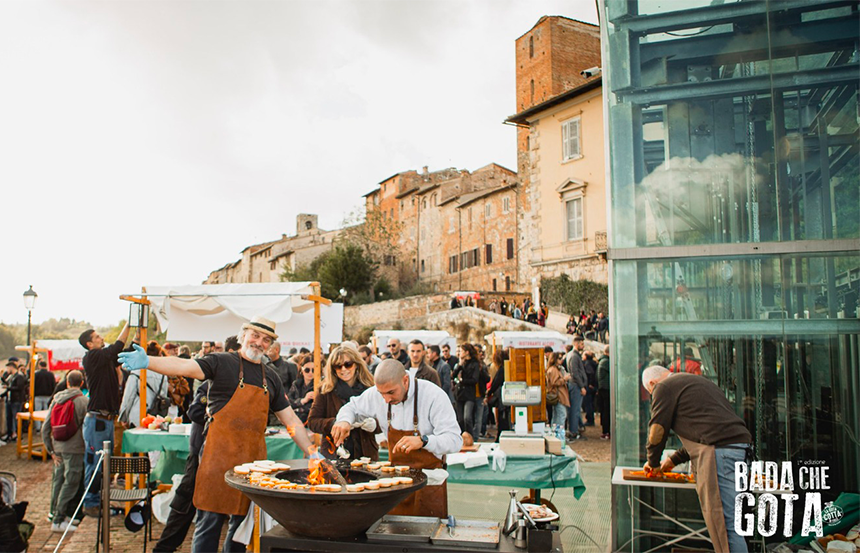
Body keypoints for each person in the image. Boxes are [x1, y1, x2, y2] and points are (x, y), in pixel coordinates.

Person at [118, 316, 313, 553]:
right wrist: (148, 361)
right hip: (216, 456)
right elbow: (184, 367)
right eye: (255, 336)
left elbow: (290, 420)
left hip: (252, 462)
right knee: (208, 522)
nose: (259, 342)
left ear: (271, 344)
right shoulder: (221, 362)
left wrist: (311, 451)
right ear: (244, 336)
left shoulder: (270, 377)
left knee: (240, 526)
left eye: (266, 339)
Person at [642, 366, 752, 553]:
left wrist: (652, 463)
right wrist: (673, 460)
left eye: (650, 392)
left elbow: (657, 430)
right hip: (739, 448)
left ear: (652, 384)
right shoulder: (695, 382)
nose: (653, 396)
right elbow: (705, 429)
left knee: (724, 527)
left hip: (720, 453)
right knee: (733, 524)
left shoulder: (663, 387)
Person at [332, 360, 462, 517]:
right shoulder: (377, 394)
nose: (386, 399)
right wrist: (344, 421)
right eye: (382, 394)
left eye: (391, 393)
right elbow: (351, 407)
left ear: (405, 380)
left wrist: (424, 441)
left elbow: (454, 440)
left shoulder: (433, 396)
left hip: (429, 483)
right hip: (396, 486)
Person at [78, 322, 130, 516]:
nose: (101, 338)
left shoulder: (103, 359)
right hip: (97, 420)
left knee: (104, 462)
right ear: (89, 344)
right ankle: (90, 503)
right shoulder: (92, 357)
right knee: (95, 461)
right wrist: (129, 323)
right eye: (97, 337)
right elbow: (116, 346)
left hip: (106, 419)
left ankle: (101, 500)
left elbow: (121, 351)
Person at [153, 381, 210, 552]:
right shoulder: (210, 385)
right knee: (185, 499)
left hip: (222, 453)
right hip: (200, 451)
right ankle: (164, 547)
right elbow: (194, 411)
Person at [307, 346, 378, 461]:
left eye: (348, 364)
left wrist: (375, 424)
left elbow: (386, 419)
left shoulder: (370, 388)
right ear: (333, 369)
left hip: (365, 453)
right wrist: (335, 423)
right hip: (334, 453)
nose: (343, 369)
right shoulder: (325, 389)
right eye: (338, 366)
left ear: (356, 364)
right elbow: (312, 422)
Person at [42, 370, 88, 533]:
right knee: (70, 483)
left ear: (67, 382)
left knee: (58, 481)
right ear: (81, 383)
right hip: (75, 449)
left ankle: (54, 512)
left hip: (58, 447)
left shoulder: (56, 400)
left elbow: (45, 427)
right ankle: (59, 519)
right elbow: (86, 429)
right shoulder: (83, 401)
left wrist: (51, 450)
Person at [118, 342, 169, 428]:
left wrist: (123, 417)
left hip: (137, 415)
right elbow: (163, 395)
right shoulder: (163, 374)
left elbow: (129, 396)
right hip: (155, 417)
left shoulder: (137, 372)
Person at [453, 343, 481, 440]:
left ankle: (470, 438)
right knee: (460, 419)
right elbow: (452, 376)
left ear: (467, 352)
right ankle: (461, 438)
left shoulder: (475, 364)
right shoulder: (461, 363)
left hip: (469, 394)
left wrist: (462, 381)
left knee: (467, 417)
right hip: (459, 394)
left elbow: (475, 380)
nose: (459, 353)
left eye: (461, 351)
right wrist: (459, 365)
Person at [565, 336, 587, 439]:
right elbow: (575, 373)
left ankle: (575, 429)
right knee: (575, 409)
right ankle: (573, 431)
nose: (583, 345)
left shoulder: (572, 355)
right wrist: (582, 386)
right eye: (582, 344)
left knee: (574, 409)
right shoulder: (574, 356)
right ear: (576, 344)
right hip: (576, 385)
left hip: (575, 385)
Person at [485, 349, 509, 441]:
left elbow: (495, 383)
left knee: (502, 418)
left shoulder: (501, 369)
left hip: (502, 397)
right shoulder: (507, 367)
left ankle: (500, 437)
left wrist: (489, 392)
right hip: (505, 395)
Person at [3, 361, 27, 441]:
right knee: (9, 417)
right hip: (10, 399)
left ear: (11, 367)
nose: (7, 370)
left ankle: (16, 434)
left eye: (8, 368)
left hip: (16, 400)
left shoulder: (19, 376)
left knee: (15, 418)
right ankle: (10, 434)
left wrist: (8, 388)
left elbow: (20, 388)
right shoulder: (12, 376)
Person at [287, 355, 316, 423]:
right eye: (307, 370)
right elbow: (288, 403)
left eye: (313, 370)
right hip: (294, 421)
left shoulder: (320, 386)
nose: (310, 373)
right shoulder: (296, 384)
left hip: (311, 421)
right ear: (301, 370)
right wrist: (303, 400)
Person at [545, 353, 569, 430]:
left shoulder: (554, 369)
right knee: (561, 415)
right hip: (558, 395)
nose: (561, 359)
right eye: (559, 358)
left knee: (556, 415)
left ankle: (555, 433)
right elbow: (554, 382)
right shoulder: (553, 370)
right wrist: (564, 379)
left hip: (557, 395)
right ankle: (559, 434)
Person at [33, 360, 55, 429]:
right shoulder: (50, 374)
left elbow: (33, 385)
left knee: (37, 412)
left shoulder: (36, 374)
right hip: (48, 395)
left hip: (38, 395)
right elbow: (53, 385)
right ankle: (46, 426)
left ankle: (38, 428)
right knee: (47, 412)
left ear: (39, 366)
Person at [597, 345, 611, 439]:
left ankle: (606, 430)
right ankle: (606, 430)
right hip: (606, 389)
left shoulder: (602, 361)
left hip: (603, 388)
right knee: (606, 410)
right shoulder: (606, 362)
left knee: (605, 410)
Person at [582, 351, 598, 426]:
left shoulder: (587, 364)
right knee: (590, 403)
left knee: (588, 403)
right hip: (592, 386)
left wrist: (590, 384)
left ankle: (590, 419)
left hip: (589, 386)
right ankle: (590, 418)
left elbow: (590, 373)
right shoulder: (593, 363)